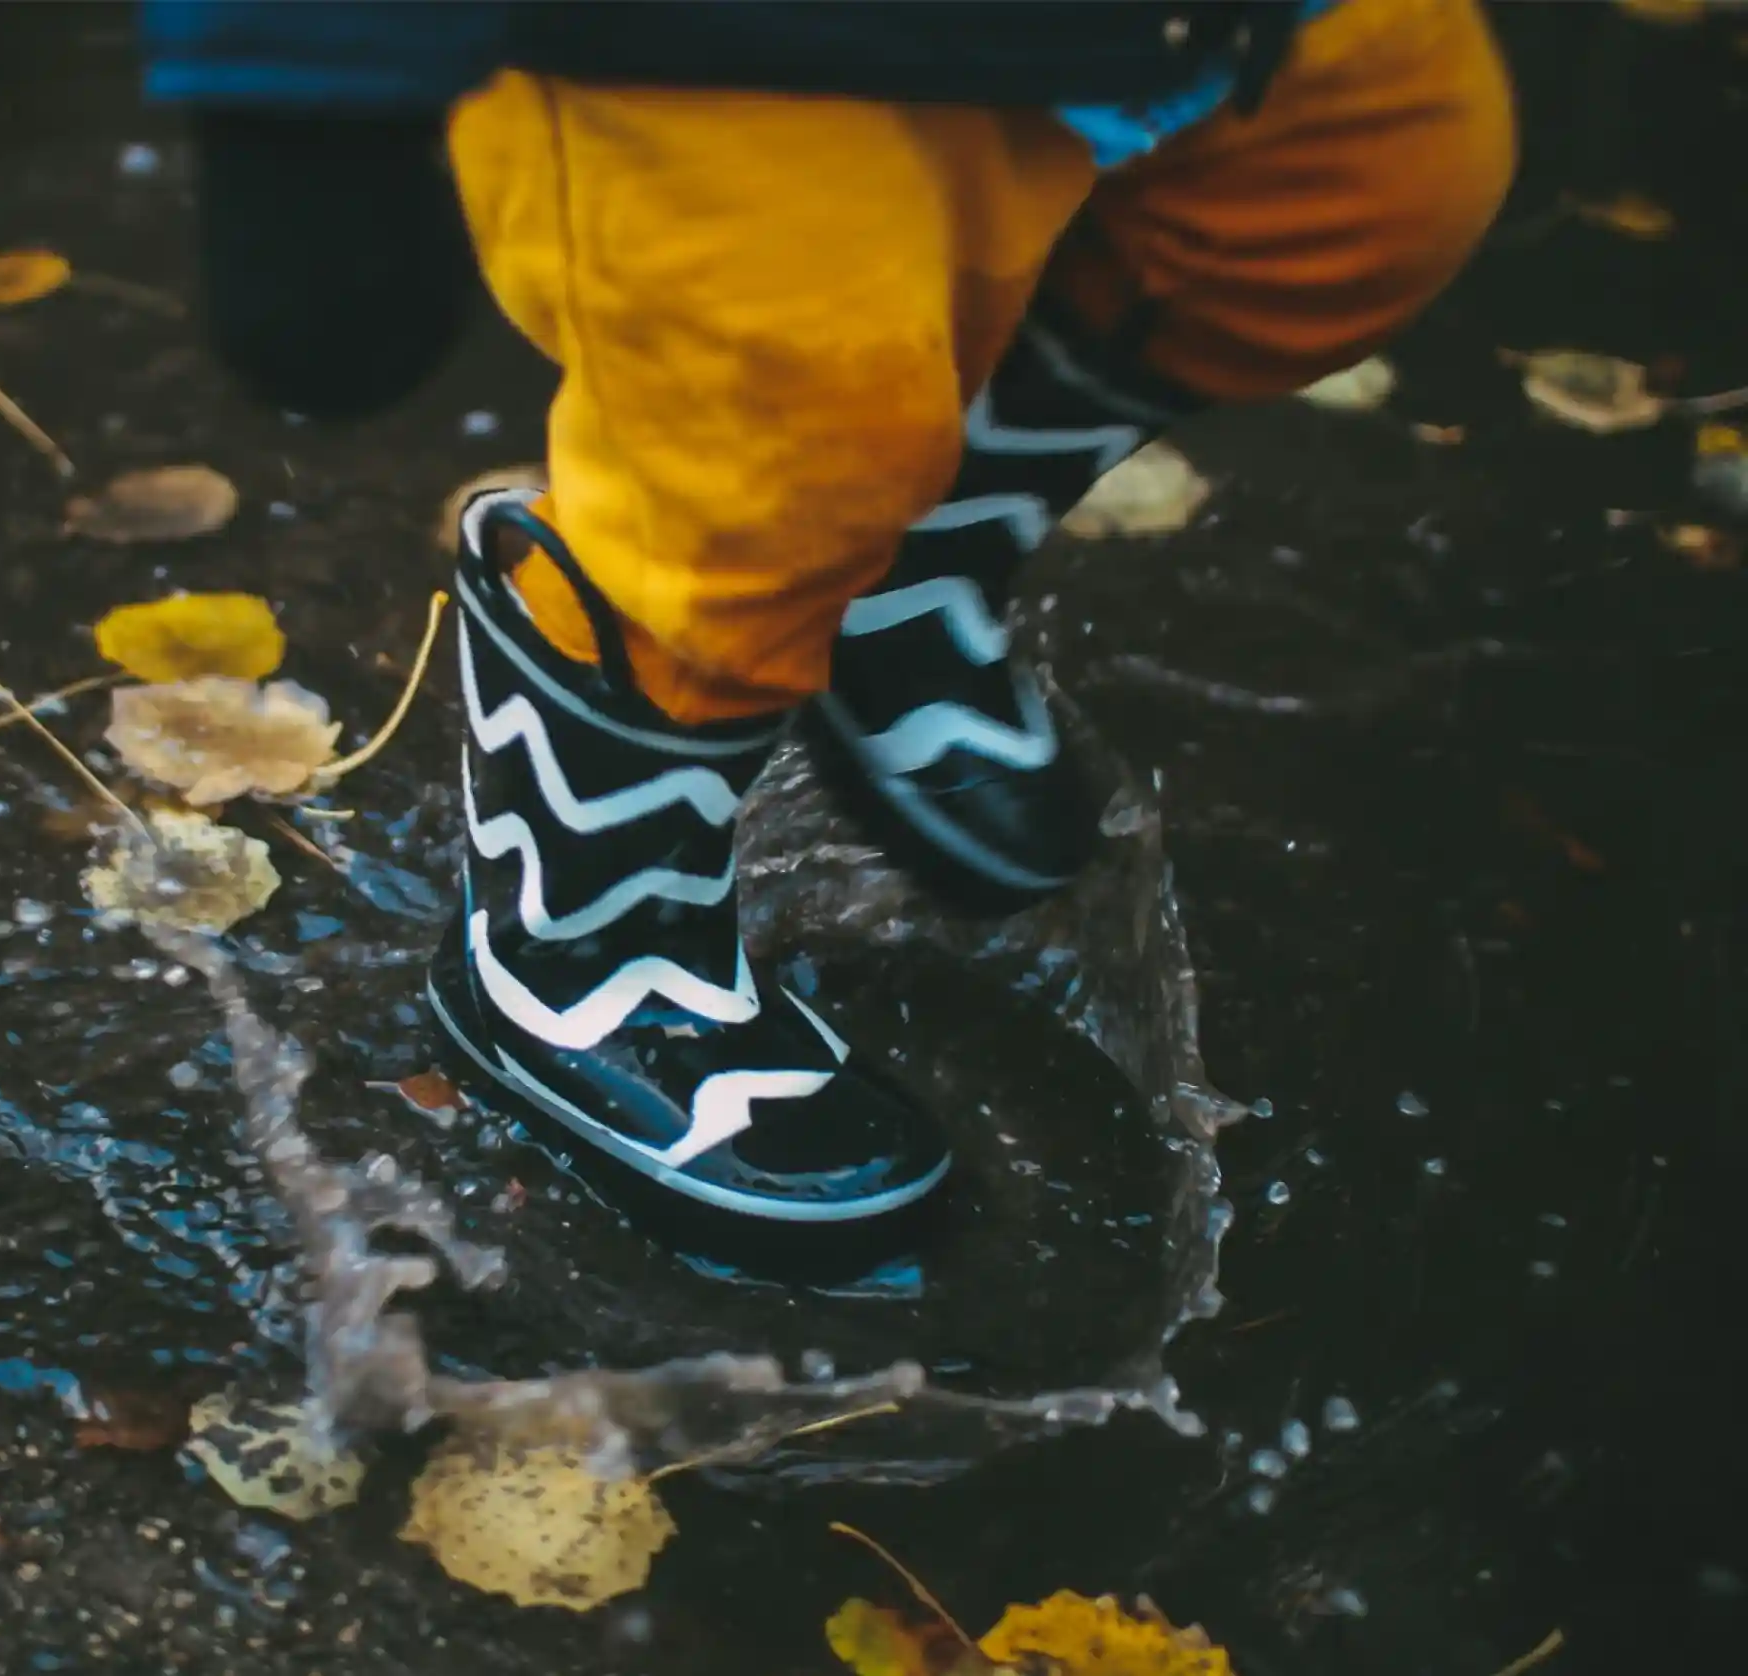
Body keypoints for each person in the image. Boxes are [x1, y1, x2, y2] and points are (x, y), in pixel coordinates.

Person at [141, 0, 1514, 1236]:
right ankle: (578, 952)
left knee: (1373, 187)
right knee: (769, 455)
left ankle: (893, 562)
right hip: (718, 51)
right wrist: (297, 76)